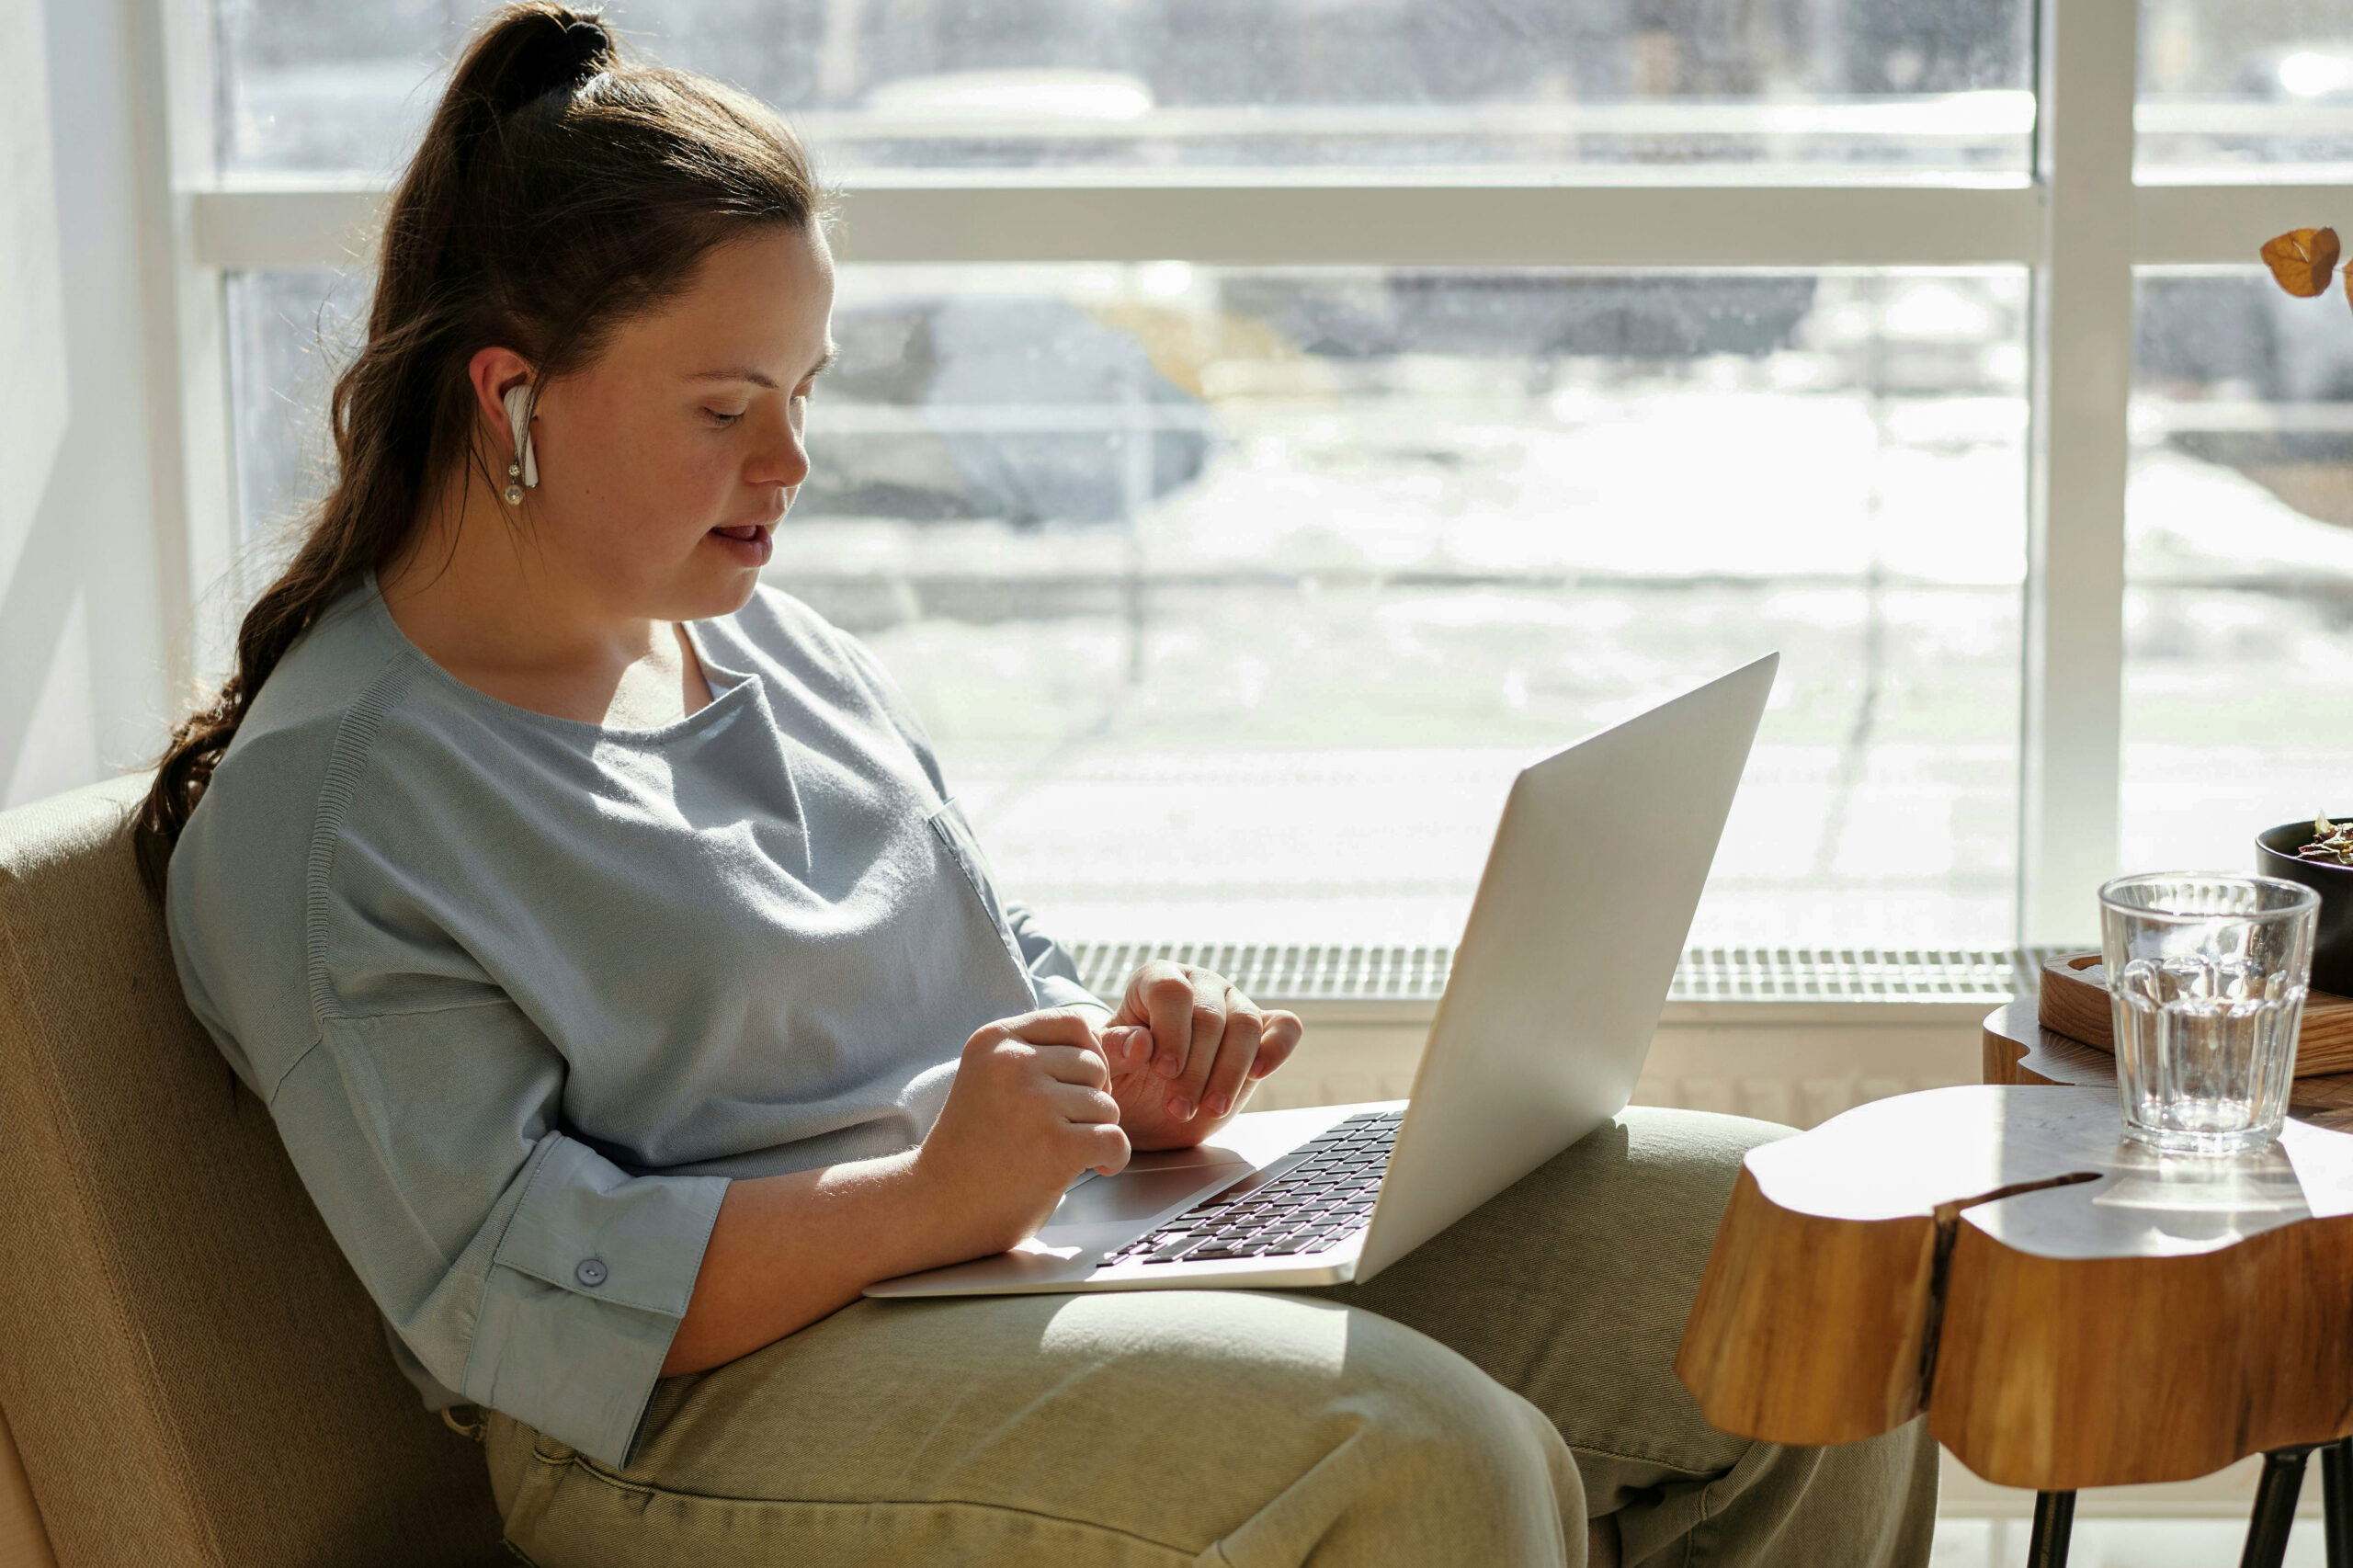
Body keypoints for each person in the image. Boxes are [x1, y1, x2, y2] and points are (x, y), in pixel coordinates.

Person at [142, 6, 1937, 1563]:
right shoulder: (334, 804)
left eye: (804, 389)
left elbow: (996, 982)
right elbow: (517, 1298)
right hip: (695, 1414)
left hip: (1008, 1256)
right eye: (722, 406)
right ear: (510, 402)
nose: (792, 458)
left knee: (1785, 1247)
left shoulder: (762, 637)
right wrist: (934, 1197)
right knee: (1413, 1457)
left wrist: (1121, 1076)